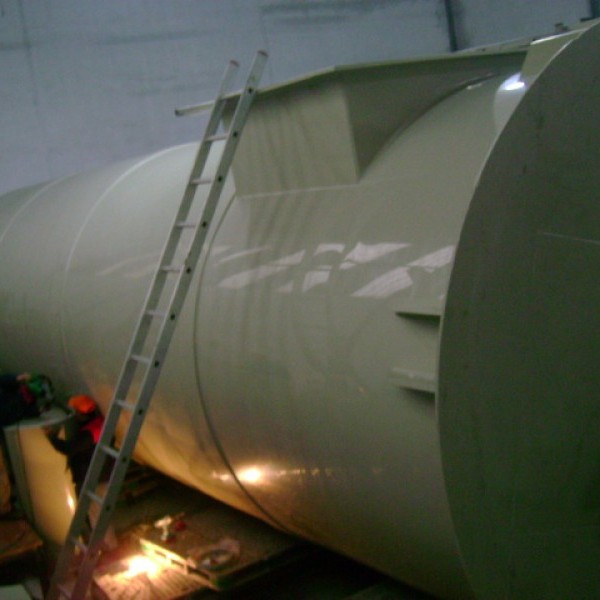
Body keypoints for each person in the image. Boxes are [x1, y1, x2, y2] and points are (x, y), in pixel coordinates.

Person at [45, 394, 117, 549]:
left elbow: (69, 448)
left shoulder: (90, 432)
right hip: (100, 475)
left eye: (75, 412)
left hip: (96, 478)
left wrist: (51, 437)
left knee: (98, 515)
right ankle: (106, 546)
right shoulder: (99, 423)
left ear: (82, 414)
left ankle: (108, 548)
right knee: (98, 514)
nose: (74, 415)